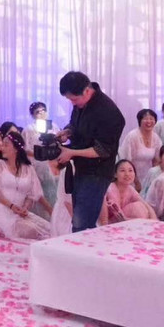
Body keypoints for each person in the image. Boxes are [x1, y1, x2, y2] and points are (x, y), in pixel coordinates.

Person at [57, 71, 125, 233]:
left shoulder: (108, 112)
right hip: (81, 167)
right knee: (79, 218)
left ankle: (85, 248)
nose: (73, 103)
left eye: (74, 99)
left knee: (82, 222)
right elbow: (75, 125)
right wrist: (67, 132)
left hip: (98, 172)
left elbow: (103, 150)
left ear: (87, 90)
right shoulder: (81, 104)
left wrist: (71, 152)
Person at [0, 131, 52, 240]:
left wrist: (25, 208)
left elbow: (32, 193)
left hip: (20, 213)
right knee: (32, 230)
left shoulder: (29, 168)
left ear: (16, 148)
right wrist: (11, 206)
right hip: (1, 212)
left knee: (49, 228)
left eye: (6, 145)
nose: (2, 148)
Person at [117, 109, 162, 187]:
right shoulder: (132, 136)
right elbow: (127, 161)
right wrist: (136, 181)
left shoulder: (156, 138)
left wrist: (153, 178)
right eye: (145, 119)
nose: (149, 121)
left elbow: (157, 160)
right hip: (130, 177)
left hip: (148, 177)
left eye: (151, 119)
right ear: (139, 121)